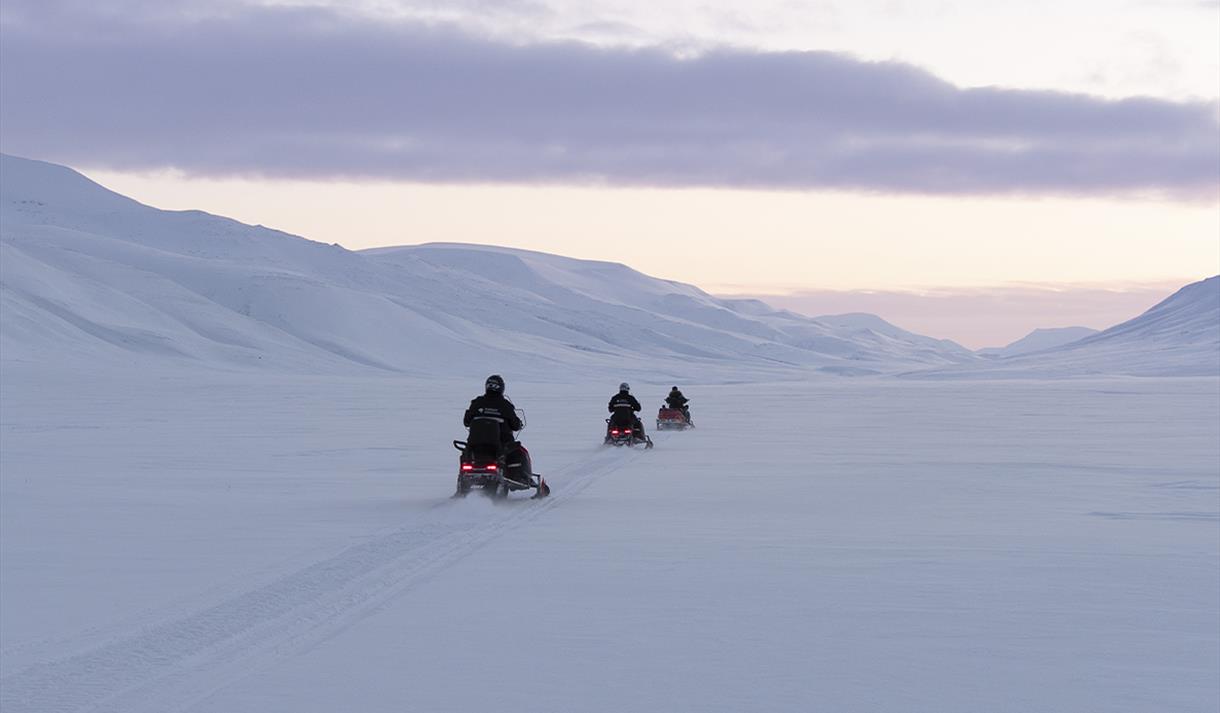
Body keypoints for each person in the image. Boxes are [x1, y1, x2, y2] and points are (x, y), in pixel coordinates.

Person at [464, 374, 531, 483]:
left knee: (466, 455)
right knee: (517, 451)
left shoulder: (477, 403)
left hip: (476, 443)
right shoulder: (505, 405)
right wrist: (518, 424)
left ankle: (462, 483)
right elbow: (514, 425)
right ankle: (518, 477)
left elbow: (466, 421)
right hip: (500, 443)